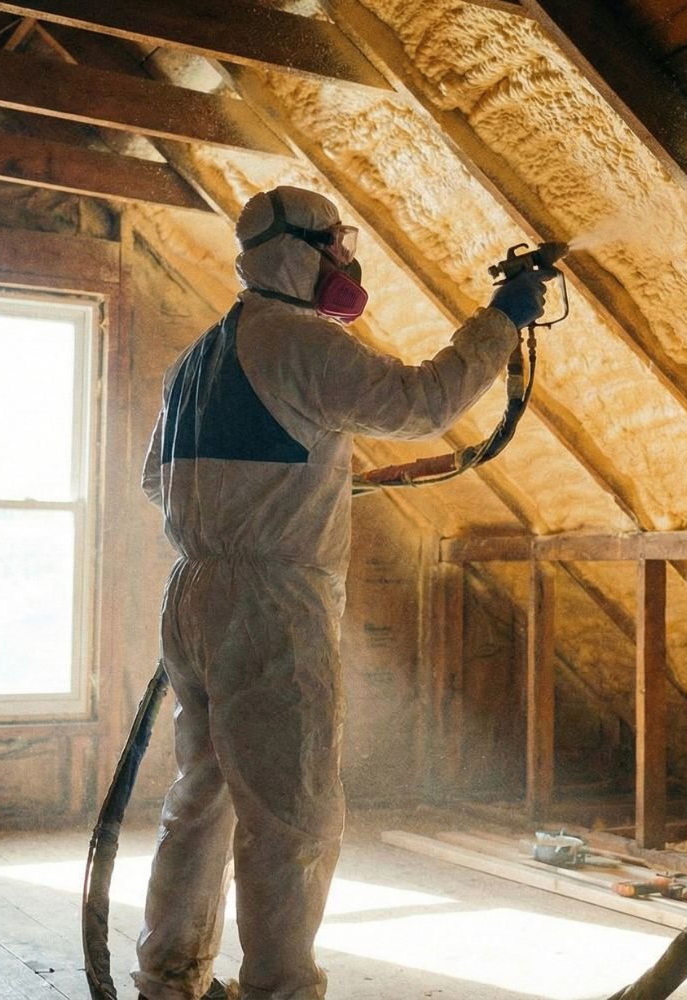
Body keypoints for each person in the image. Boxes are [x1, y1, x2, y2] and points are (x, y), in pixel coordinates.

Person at [134, 185, 554, 1000]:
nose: (345, 260)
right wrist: (502, 319)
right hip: (272, 603)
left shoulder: (201, 354)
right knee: (290, 815)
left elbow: (159, 479)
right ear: (301, 250)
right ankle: (280, 989)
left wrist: (275, 493)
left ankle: (167, 978)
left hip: (191, 593)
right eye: (336, 243)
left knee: (202, 797)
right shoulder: (303, 342)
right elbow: (422, 403)